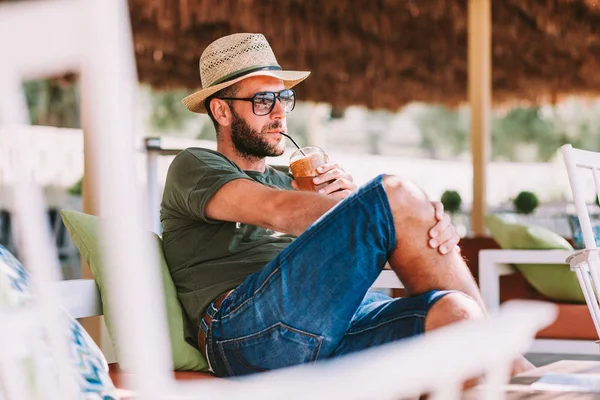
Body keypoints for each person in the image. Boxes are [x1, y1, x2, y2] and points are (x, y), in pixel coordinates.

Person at [161, 33, 533, 378]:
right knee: (396, 193)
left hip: (327, 324)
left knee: (457, 316)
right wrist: (373, 211)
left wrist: (418, 226)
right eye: (262, 100)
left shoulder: (289, 178)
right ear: (222, 112)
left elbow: (398, 253)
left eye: (284, 98)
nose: (279, 112)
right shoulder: (196, 166)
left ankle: (508, 368)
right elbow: (275, 210)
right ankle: (521, 372)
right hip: (243, 332)